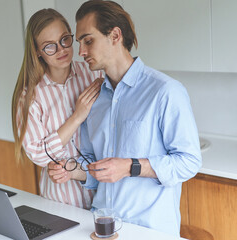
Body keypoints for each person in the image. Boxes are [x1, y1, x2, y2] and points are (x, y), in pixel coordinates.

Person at [47, 0, 202, 236]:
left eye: (88, 41)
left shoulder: (165, 91)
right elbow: (94, 166)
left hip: (148, 230)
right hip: (101, 225)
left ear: (115, 35)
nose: (81, 52)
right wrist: (73, 171)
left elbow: (189, 162)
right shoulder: (94, 99)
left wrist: (131, 166)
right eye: (79, 43)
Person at [11, 8, 103, 209]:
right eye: (49, 46)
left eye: (64, 40)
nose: (61, 50)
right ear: (37, 51)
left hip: (103, 196)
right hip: (60, 201)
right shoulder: (29, 96)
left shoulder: (93, 74)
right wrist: (77, 117)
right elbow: (38, 154)